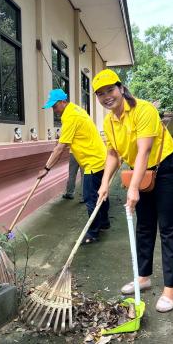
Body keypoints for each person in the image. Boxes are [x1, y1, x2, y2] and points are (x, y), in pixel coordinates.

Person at [94, 69, 173, 312]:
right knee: (144, 225)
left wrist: (132, 189)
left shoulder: (144, 110)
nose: (106, 97)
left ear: (121, 88)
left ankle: (170, 289)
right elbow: (113, 153)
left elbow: (144, 150)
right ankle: (143, 278)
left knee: (169, 228)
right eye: (100, 94)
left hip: (166, 169)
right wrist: (104, 185)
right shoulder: (109, 122)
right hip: (140, 171)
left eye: (110, 90)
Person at [37, 89, 110, 244]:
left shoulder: (70, 116)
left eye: (55, 106)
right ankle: (104, 223)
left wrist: (46, 168)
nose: (54, 110)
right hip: (100, 158)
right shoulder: (75, 109)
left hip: (93, 161)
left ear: (63, 102)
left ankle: (93, 233)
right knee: (101, 193)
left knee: (91, 198)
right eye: (52, 107)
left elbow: (60, 147)